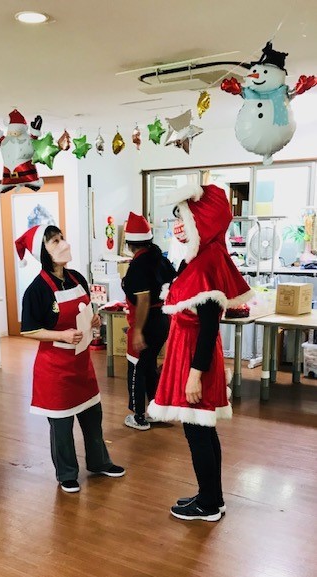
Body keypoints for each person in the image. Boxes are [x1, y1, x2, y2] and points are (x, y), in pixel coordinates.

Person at [147, 185, 252, 522]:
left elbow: (207, 330)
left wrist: (194, 375)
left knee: (198, 431)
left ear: (200, 223)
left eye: (183, 217)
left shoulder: (206, 265)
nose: (178, 225)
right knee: (203, 430)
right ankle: (212, 497)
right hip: (192, 357)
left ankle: (207, 504)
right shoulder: (204, 258)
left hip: (196, 361)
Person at [16, 225, 125, 493]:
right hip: (55, 368)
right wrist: (61, 335)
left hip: (81, 364)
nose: (63, 243)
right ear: (43, 251)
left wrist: (93, 319)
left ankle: (99, 462)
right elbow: (29, 330)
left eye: (62, 238)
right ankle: (66, 473)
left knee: (93, 416)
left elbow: (84, 310)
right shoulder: (36, 290)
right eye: (55, 241)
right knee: (62, 425)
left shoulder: (77, 278)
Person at [121, 212, 176, 430]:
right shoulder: (160, 258)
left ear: (129, 244)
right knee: (150, 365)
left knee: (137, 368)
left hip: (145, 322)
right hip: (163, 319)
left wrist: (137, 331)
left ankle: (139, 416)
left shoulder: (138, 265)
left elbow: (143, 300)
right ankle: (155, 411)